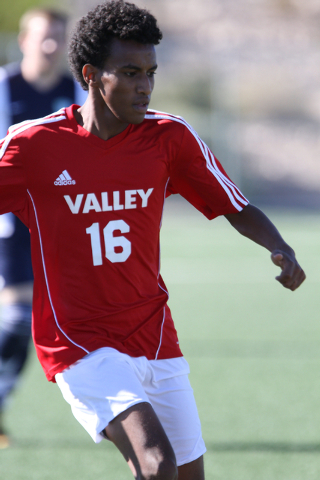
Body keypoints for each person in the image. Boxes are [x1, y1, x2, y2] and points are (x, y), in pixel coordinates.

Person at [0, 0, 305, 477]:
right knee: (156, 462)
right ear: (91, 74)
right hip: (79, 342)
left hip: (154, 333)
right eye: (130, 72)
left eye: (151, 72)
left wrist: (278, 246)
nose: (145, 86)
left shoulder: (169, 138)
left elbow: (233, 204)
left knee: (187, 473)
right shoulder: (33, 146)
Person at [0, 7, 87, 448]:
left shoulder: (77, 93)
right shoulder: (2, 87)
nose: (50, 46)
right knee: (16, 320)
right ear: (24, 41)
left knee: (29, 322)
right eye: (42, 37)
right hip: (8, 226)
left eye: (57, 38)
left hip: (56, 226)